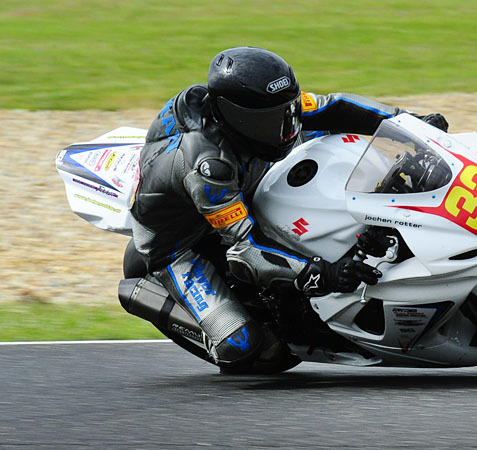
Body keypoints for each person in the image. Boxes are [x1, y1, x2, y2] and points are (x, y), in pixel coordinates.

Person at [127, 46, 449, 370]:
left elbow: (332, 106)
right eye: (273, 119)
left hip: (247, 176)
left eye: (289, 110)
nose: (287, 125)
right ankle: (149, 294)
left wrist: (410, 125)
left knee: (332, 129)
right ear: (237, 116)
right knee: (245, 348)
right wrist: (324, 274)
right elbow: (245, 249)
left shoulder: (268, 114)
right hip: (180, 245)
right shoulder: (208, 167)